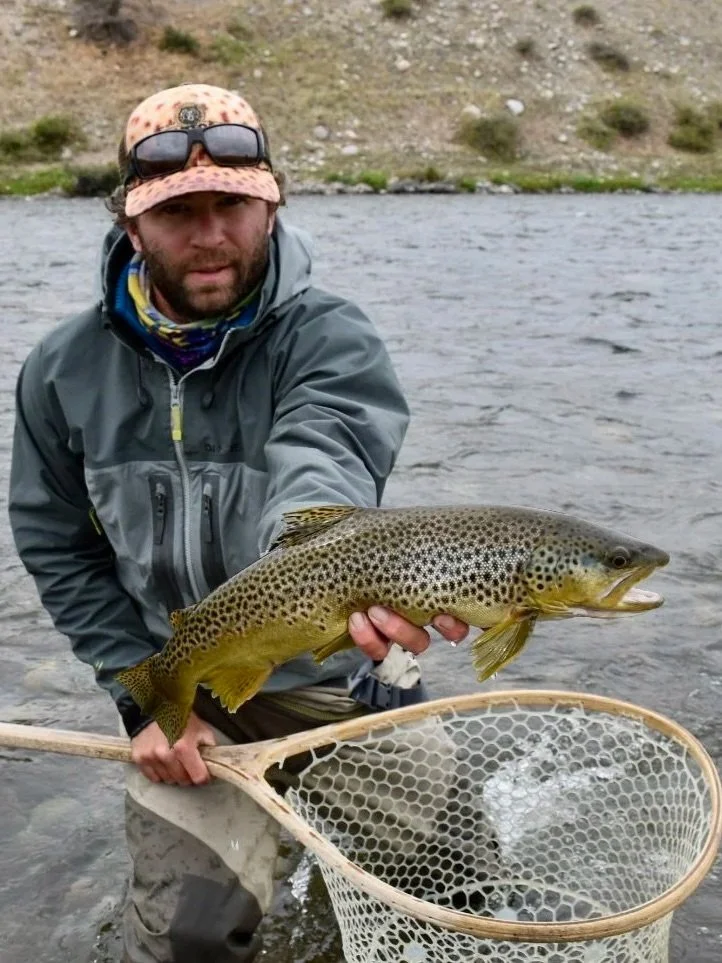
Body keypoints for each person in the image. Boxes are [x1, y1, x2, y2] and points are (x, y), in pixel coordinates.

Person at [8, 82, 468, 962]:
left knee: (461, 897)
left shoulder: (331, 338)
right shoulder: (61, 370)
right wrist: (140, 698)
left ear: (273, 204)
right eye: (180, 211)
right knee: (191, 942)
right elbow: (57, 545)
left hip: (337, 675)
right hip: (186, 684)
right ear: (131, 225)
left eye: (233, 205)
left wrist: (329, 568)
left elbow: (323, 457)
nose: (210, 234)